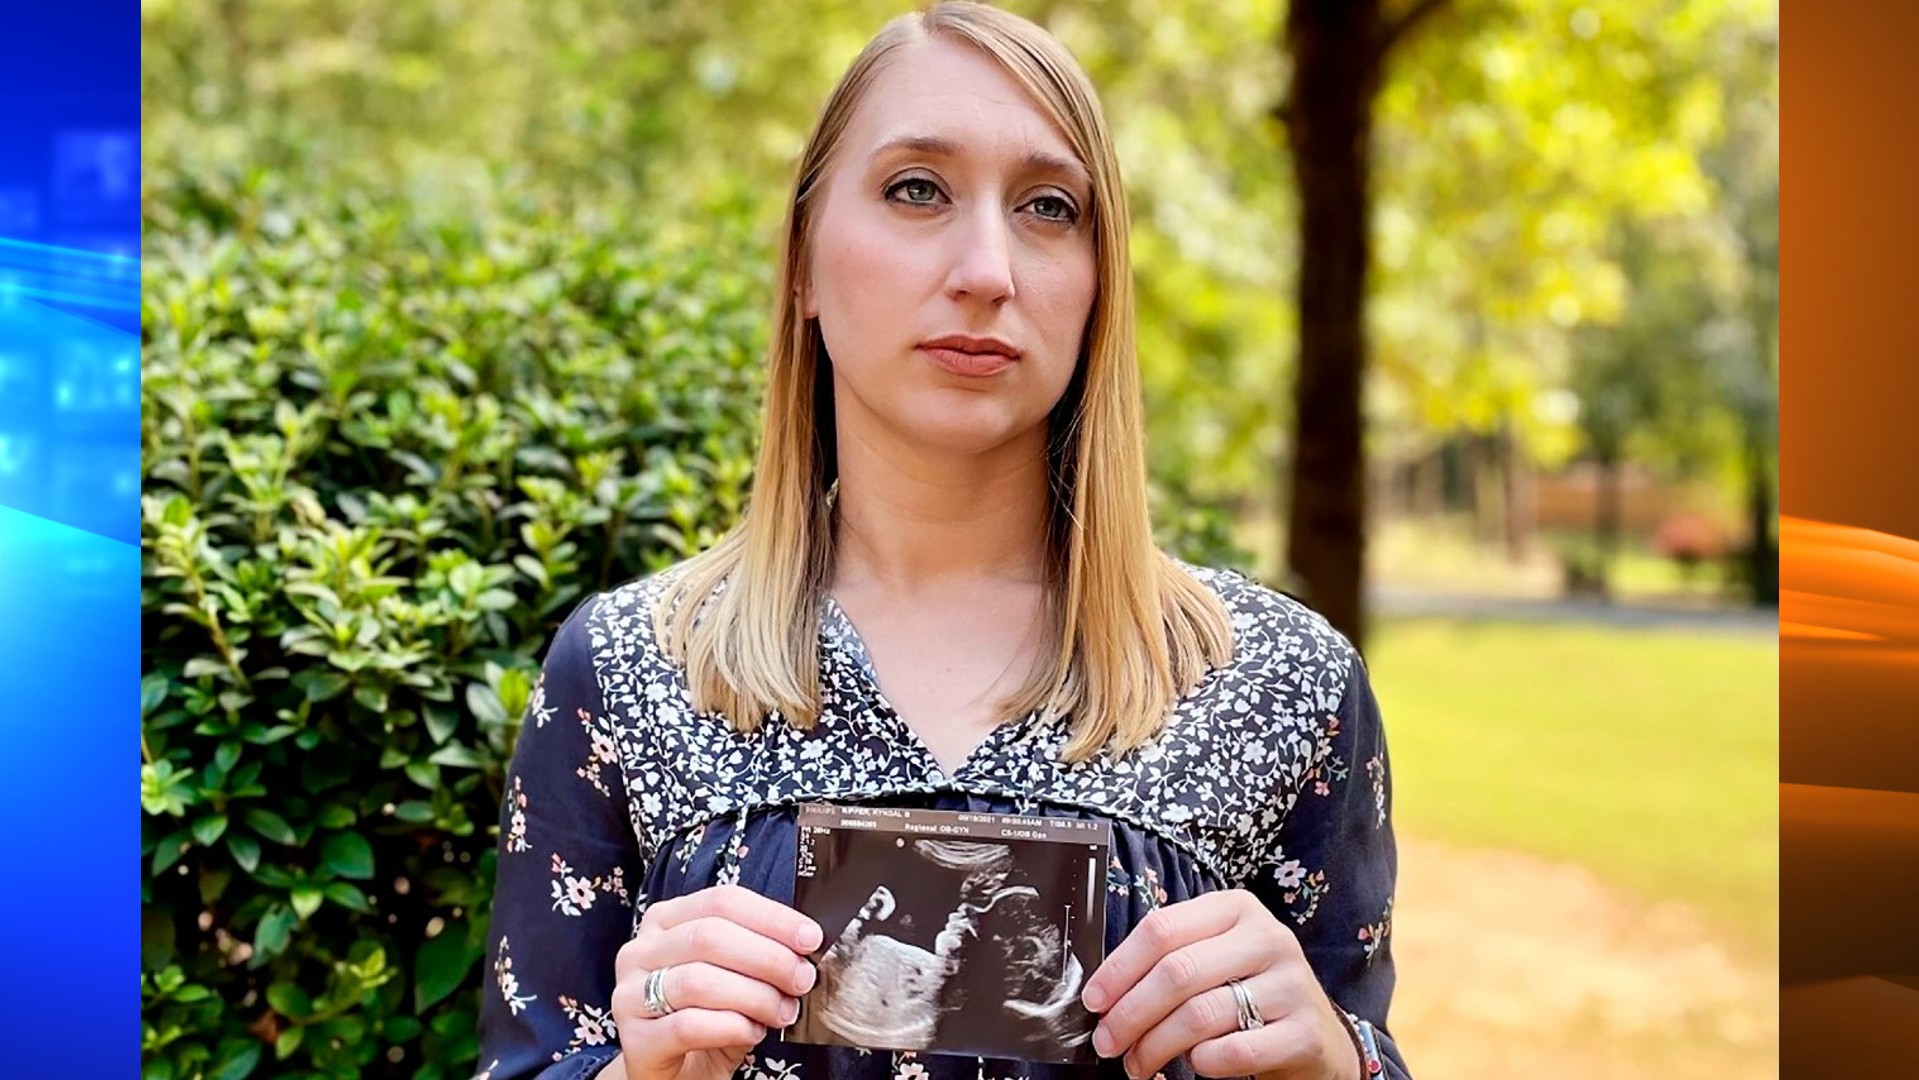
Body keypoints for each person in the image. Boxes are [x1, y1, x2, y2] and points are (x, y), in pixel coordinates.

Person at [474, 3, 1408, 1079]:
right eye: (917, 188)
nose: (987, 269)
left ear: (1101, 285)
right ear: (804, 264)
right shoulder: (629, 669)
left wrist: (1335, 1063)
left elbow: (1361, 1037)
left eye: (1050, 208)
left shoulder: (1281, 682)